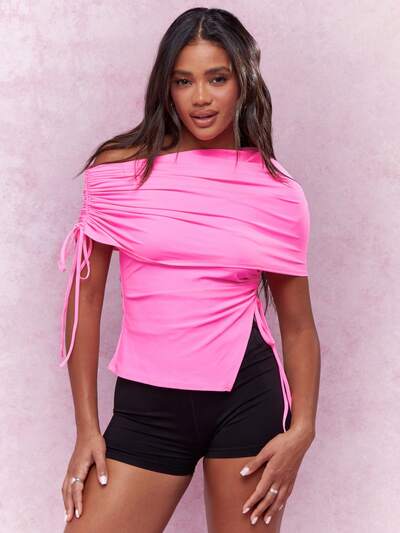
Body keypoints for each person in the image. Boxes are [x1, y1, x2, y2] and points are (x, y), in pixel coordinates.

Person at [59, 7, 320, 533]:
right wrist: (87, 428)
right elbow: (84, 303)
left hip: (247, 399)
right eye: (184, 81)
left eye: (217, 78)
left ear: (243, 81)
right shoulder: (119, 172)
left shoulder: (276, 192)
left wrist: (303, 431)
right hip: (147, 407)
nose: (201, 97)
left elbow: (297, 326)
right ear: (167, 87)